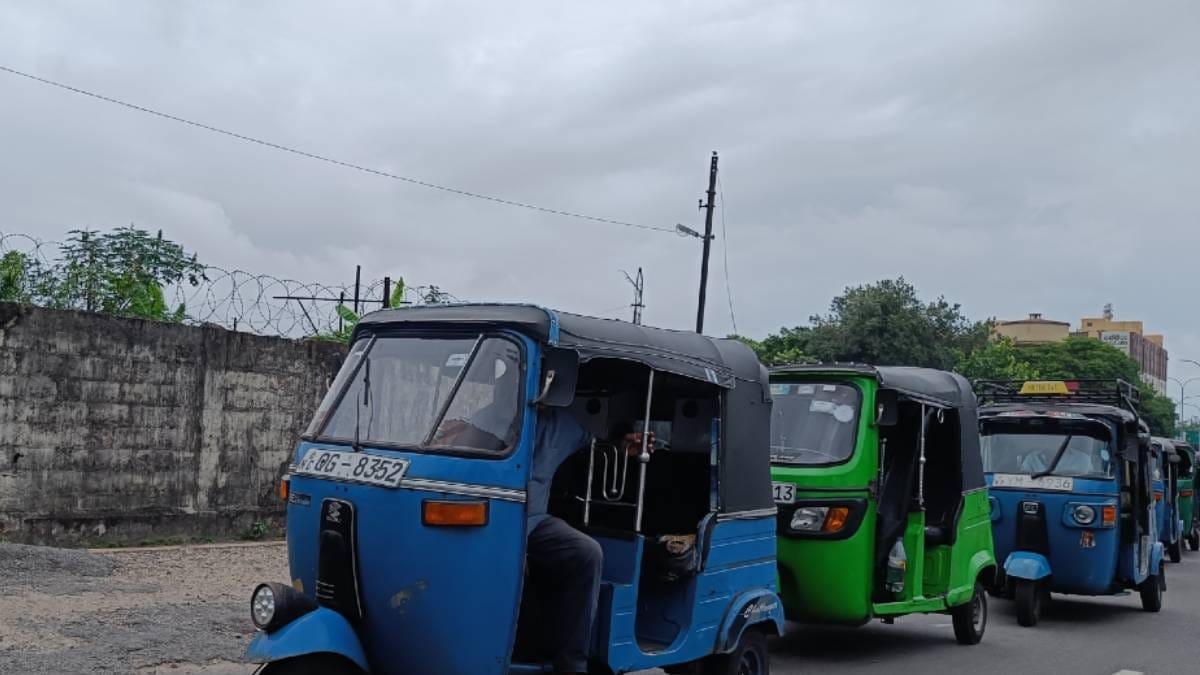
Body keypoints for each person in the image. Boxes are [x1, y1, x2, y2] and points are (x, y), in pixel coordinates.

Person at [527, 405, 649, 675]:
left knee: (586, 551)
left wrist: (621, 446)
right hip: (499, 518)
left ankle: (572, 664)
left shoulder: (563, 424)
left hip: (534, 520)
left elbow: (595, 449)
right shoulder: (495, 417)